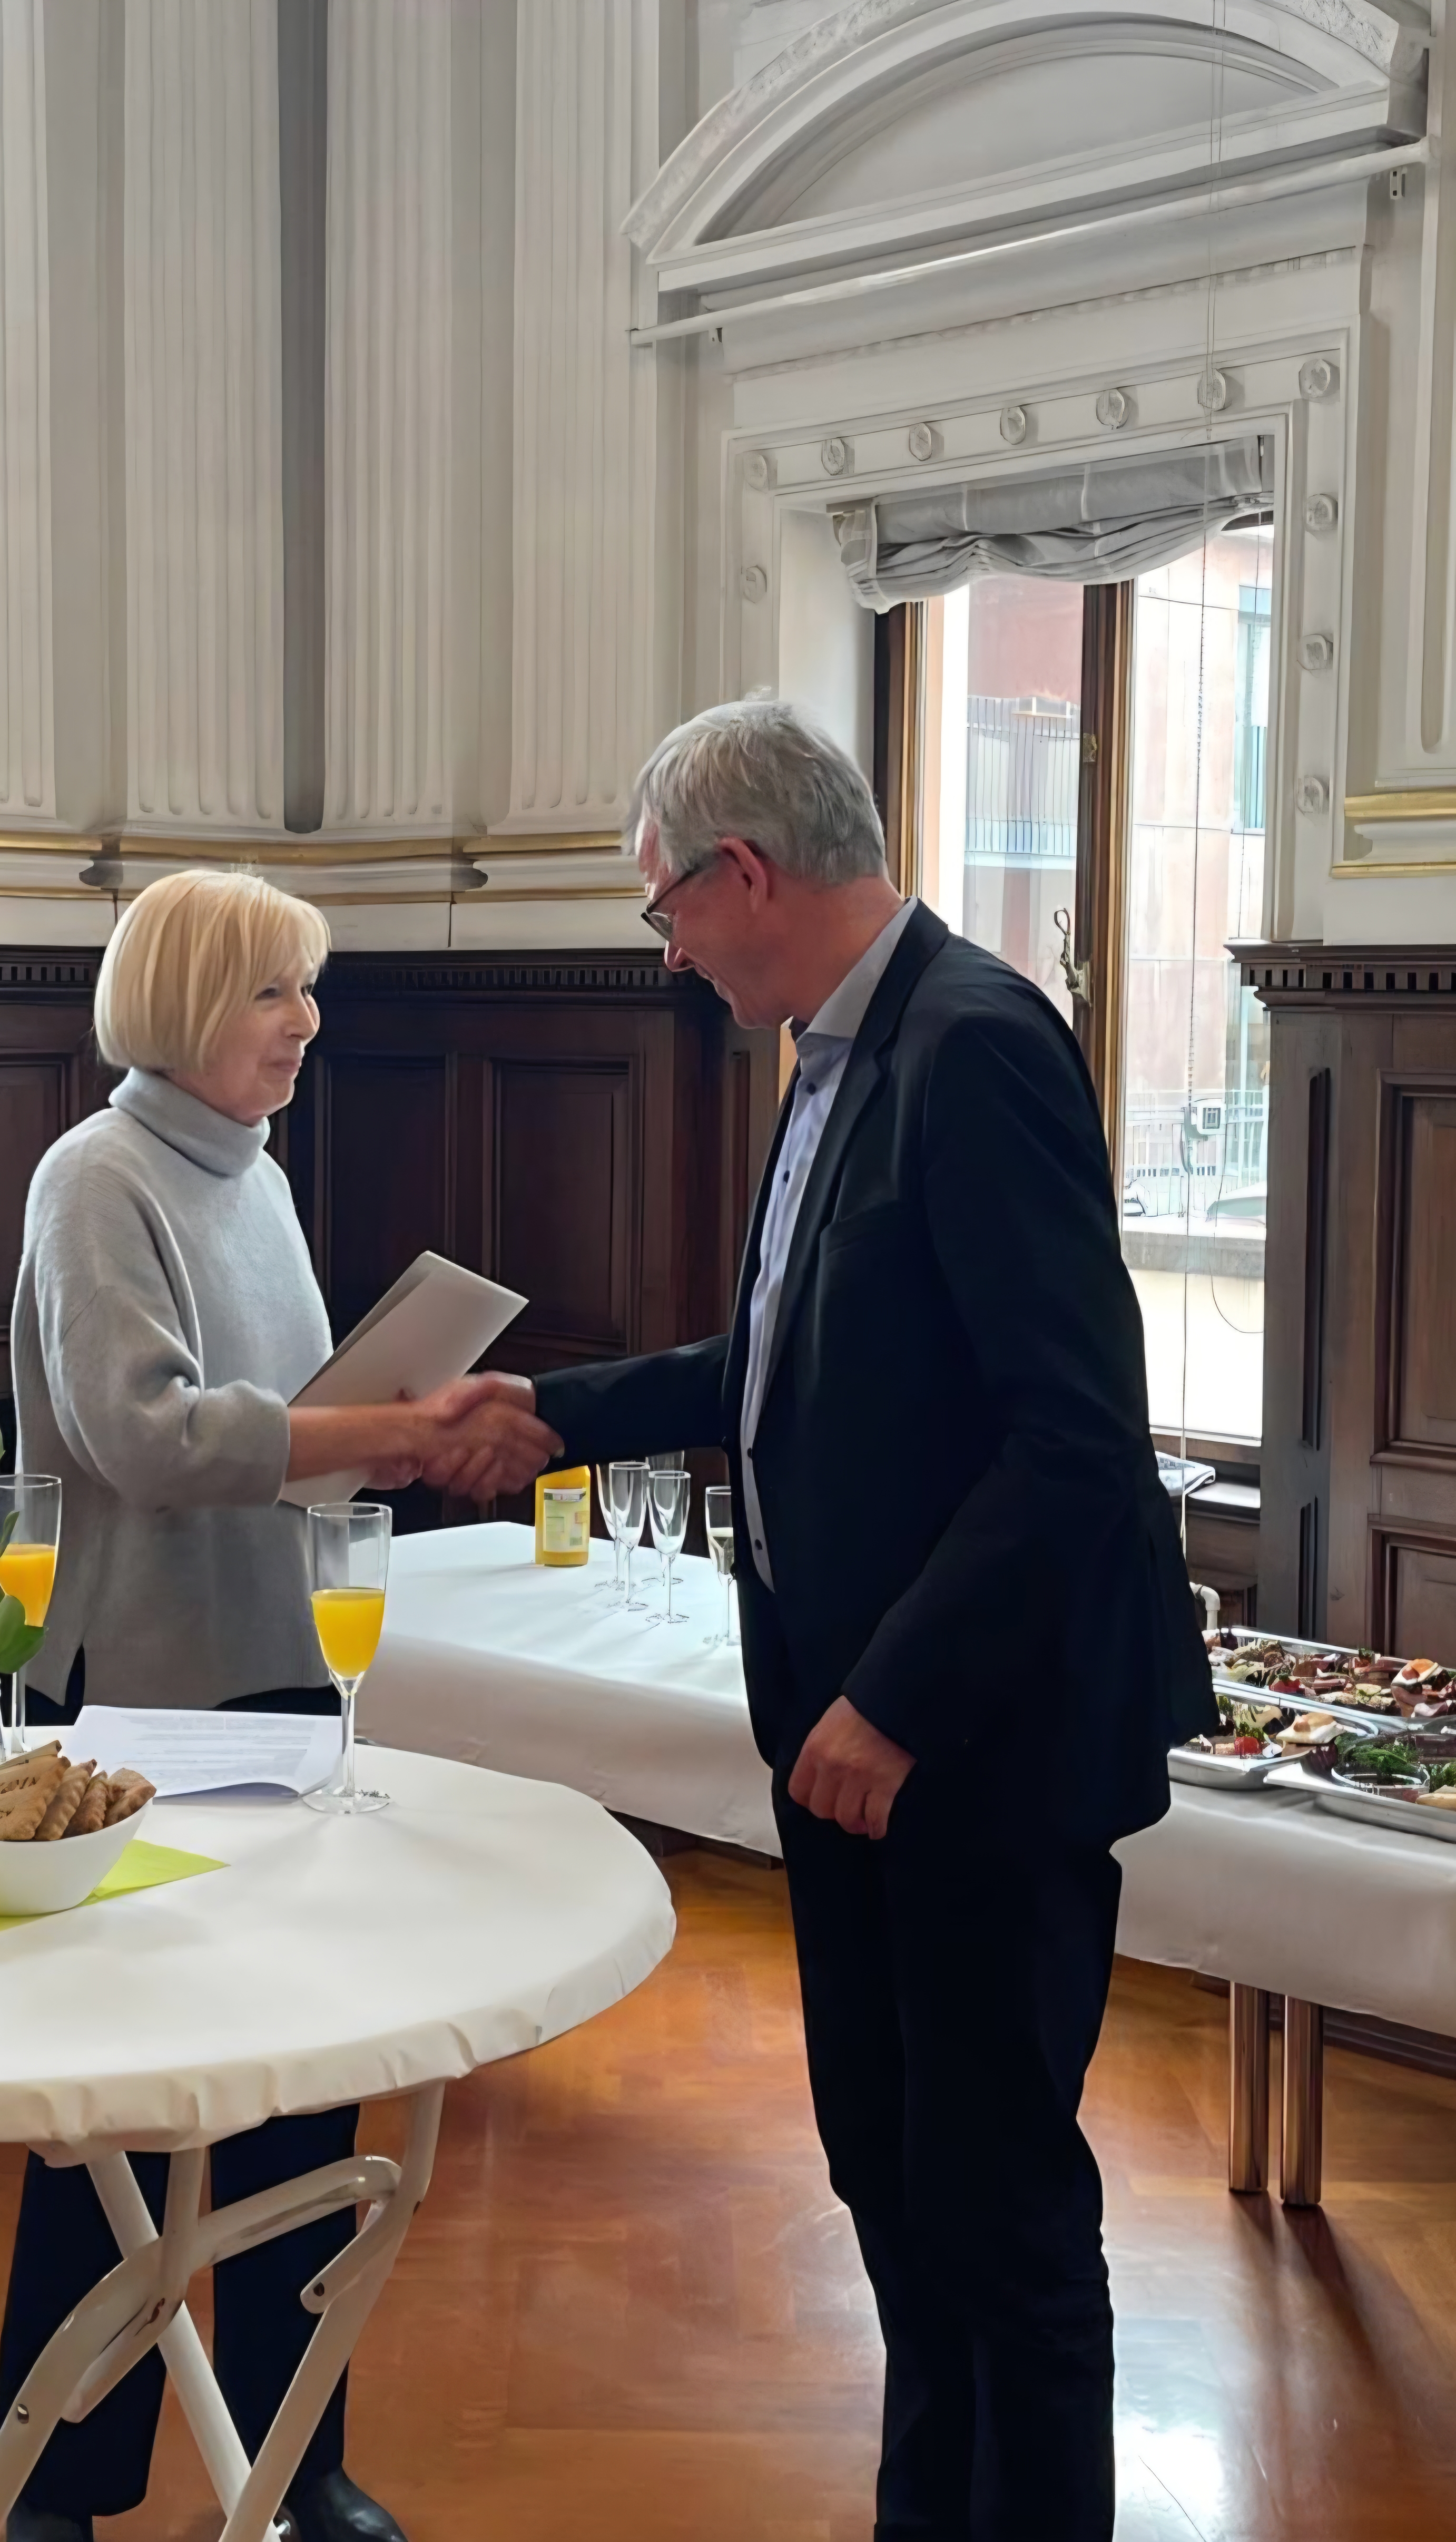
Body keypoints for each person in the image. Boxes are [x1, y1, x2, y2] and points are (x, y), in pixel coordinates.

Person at [526, 700, 1214, 2542]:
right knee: (892, 2182)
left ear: (741, 875)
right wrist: (550, 1415)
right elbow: (779, 1368)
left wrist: (894, 1699)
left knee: (997, 2212)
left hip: (968, 1753)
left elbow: (1073, 1440)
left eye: (665, 913)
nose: (665, 956)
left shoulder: (973, 1044)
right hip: (850, 1750)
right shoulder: (836, 1050)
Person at [0, 869, 558, 2542]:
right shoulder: (93, 1175)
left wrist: (378, 1420)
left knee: (304, 2093)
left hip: (279, 1669)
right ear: (179, 1002)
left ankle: (297, 2470)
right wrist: (387, 1432)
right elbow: (147, 1439)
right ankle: (57, 2486)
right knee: (105, 2114)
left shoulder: (258, 1178)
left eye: (309, 990)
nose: (306, 1022)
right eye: (270, 992)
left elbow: (279, 1427)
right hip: (137, 1692)